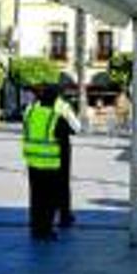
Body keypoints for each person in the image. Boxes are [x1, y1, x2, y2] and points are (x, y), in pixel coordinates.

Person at [21, 85, 64, 241]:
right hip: (50, 164)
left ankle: (35, 228)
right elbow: (65, 133)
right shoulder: (55, 117)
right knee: (49, 199)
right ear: (54, 101)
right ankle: (46, 230)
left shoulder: (30, 114)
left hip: (32, 162)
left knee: (36, 197)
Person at [54, 93, 81, 228]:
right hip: (60, 150)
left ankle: (41, 221)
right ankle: (64, 216)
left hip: (37, 154)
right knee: (62, 184)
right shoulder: (63, 107)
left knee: (41, 188)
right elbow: (77, 127)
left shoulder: (33, 107)